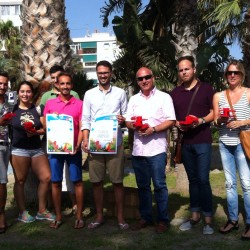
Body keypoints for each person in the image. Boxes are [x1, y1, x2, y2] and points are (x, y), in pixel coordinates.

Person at [125, 67, 175, 234]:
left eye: (147, 77)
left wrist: (152, 129)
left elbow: (171, 120)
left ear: (153, 77)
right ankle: (146, 217)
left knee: (159, 185)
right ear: (137, 81)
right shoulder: (133, 99)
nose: (144, 81)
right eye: (140, 79)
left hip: (156, 150)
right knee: (143, 186)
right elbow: (127, 122)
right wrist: (135, 125)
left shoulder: (164, 97)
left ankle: (162, 220)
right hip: (139, 150)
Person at [81, 60, 129, 230]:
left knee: (117, 181)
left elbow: (126, 116)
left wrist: (123, 119)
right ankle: (99, 215)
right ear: (97, 74)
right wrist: (85, 139)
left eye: (106, 72)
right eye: (100, 73)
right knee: (97, 181)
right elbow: (85, 119)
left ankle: (121, 218)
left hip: (115, 142)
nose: (103, 75)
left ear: (111, 73)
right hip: (96, 142)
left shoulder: (120, 93)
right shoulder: (89, 94)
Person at [171, 55, 214, 235]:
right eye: (181, 70)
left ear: (194, 69)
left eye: (186, 69)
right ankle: (195, 215)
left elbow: (214, 113)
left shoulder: (206, 89)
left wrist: (201, 120)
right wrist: (177, 124)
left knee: (203, 179)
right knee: (193, 180)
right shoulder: (175, 93)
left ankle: (209, 220)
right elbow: (171, 116)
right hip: (186, 142)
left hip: (203, 140)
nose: (183, 72)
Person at [213, 60, 250, 240]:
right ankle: (233, 219)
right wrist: (220, 120)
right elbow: (215, 120)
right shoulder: (219, 96)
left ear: (242, 75)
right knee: (229, 183)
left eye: (236, 73)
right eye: (229, 73)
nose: (232, 76)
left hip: (243, 143)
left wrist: (242, 122)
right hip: (224, 142)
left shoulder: (248, 93)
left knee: (246, 184)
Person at [10, 81, 55, 223]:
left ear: (32, 93)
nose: (25, 94)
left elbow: (44, 128)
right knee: (20, 181)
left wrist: (35, 132)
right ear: (18, 93)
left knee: (46, 177)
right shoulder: (12, 109)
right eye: (22, 91)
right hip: (19, 149)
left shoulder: (37, 109)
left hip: (36, 149)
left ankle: (42, 210)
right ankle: (22, 212)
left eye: (28, 91)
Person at [43, 72, 84, 229]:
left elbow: (82, 126)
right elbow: (46, 126)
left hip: (74, 149)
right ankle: (58, 216)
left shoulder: (79, 104)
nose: (65, 86)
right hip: (56, 149)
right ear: (57, 86)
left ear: (71, 85)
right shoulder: (50, 104)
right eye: (62, 84)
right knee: (55, 182)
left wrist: (78, 145)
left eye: (68, 84)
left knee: (77, 182)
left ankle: (79, 216)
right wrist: (52, 119)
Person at [0, 72, 12, 233]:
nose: (2, 86)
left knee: (4, 182)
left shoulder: (10, 101)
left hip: (10, 144)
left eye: (4, 84)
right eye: (0, 83)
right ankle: (1, 218)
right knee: (2, 182)